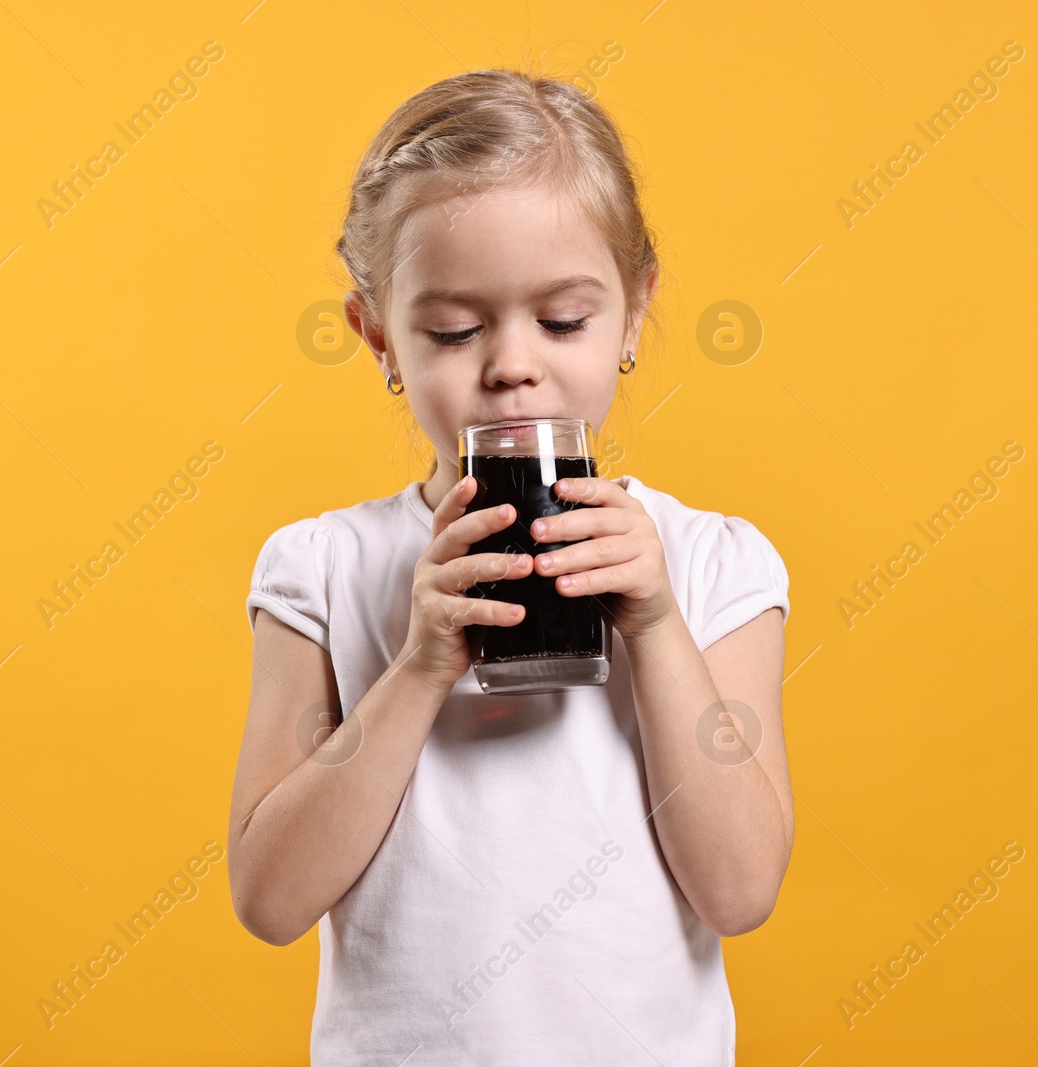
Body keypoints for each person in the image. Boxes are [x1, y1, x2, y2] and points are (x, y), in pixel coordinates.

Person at [228, 67, 793, 1065]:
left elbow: (741, 889)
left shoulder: (711, 563)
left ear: (632, 313)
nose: (511, 364)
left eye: (564, 320)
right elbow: (269, 899)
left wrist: (656, 625)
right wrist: (415, 669)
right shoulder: (321, 568)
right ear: (379, 338)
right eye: (453, 329)